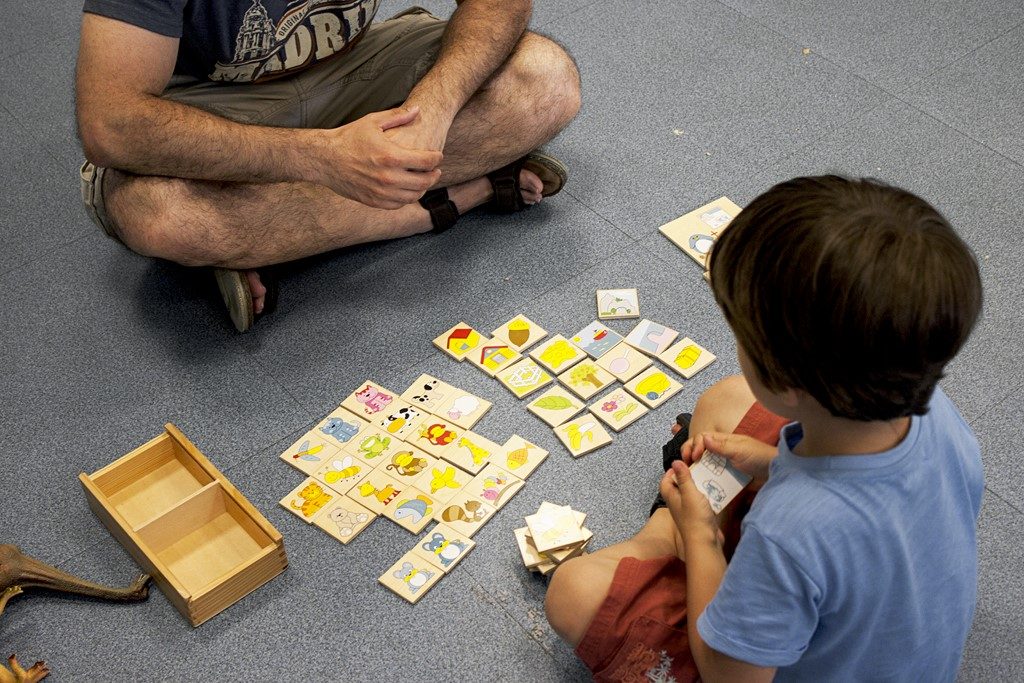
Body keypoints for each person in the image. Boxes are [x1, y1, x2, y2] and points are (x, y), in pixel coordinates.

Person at [545, 175, 985, 681]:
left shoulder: (788, 534)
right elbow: (879, 510)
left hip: (754, 662)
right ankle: (685, 529)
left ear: (785, 379)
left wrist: (702, 538)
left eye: (741, 335)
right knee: (726, 400)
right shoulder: (938, 416)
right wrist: (775, 463)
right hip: (867, 614)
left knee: (573, 590)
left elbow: (729, 675)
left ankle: (666, 534)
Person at [76, 0, 581, 331]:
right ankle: (461, 194)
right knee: (161, 216)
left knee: (546, 80)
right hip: (212, 105)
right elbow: (111, 124)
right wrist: (320, 157)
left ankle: (272, 239)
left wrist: (434, 109)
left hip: (358, 64)